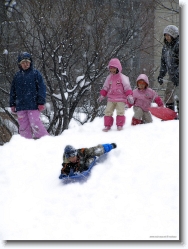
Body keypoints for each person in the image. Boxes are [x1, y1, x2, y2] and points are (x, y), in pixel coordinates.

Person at [9, 52, 49, 139]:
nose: (26, 64)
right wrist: (12, 104)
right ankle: (26, 144)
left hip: (33, 105)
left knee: (35, 123)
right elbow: (13, 91)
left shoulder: (35, 74)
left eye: (27, 62)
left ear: (30, 63)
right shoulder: (17, 76)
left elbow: (42, 88)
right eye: (23, 62)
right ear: (20, 64)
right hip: (21, 106)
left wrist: (41, 102)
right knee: (23, 127)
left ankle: (45, 140)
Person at [98, 58, 134, 132]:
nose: (112, 70)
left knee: (120, 112)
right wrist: (102, 95)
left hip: (120, 98)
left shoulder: (122, 77)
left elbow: (127, 87)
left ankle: (119, 125)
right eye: (110, 68)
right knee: (108, 111)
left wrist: (129, 95)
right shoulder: (109, 78)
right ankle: (107, 125)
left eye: (113, 68)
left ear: (118, 68)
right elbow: (105, 87)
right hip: (111, 98)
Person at [157, 25, 179, 112]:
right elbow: (163, 63)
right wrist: (161, 75)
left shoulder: (179, 45)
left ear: (173, 35)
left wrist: (178, 74)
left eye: (168, 35)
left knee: (179, 94)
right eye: (165, 35)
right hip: (172, 75)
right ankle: (170, 112)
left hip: (179, 75)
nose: (166, 37)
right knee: (168, 93)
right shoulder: (165, 47)